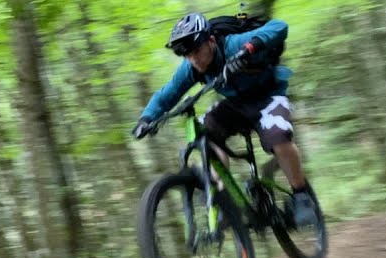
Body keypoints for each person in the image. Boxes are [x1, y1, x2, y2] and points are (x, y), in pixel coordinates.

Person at [132, 12, 318, 228]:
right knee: (203, 134)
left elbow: (279, 26)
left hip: (268, 96)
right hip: (235, 105)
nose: (193, 59)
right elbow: (167, 94)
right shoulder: (191, 68)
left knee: (278, 137)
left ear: (210, 41)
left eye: (197, 51)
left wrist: (247, 50)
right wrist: (147, 118)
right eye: (187, 55)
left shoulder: (232, 44)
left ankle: (301, 195)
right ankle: (220, 195)